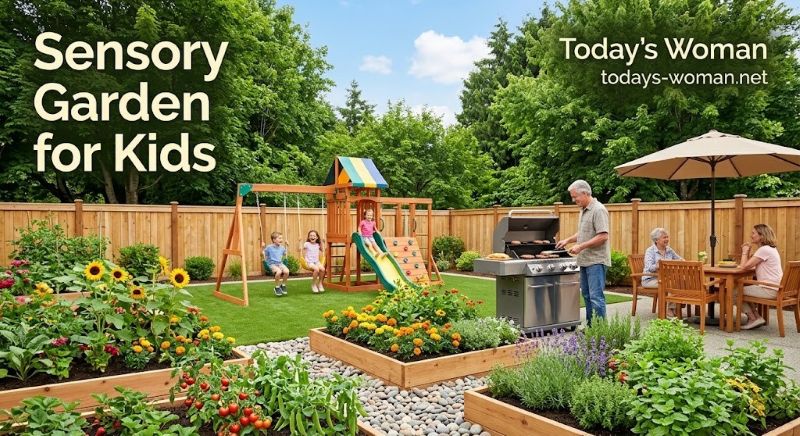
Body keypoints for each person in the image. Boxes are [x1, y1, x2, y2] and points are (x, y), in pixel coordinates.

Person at [556, 180, 610, 326]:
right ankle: (591, 327)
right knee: (586, 295)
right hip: (585, 260)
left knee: (596, 297)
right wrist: (568, 240)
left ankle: (600, 331)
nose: (574, 200)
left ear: (585, 193)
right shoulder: (584, 210)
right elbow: (583, 233)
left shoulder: (598, 210)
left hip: (596, 261)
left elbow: (603, 236)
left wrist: (580, 247)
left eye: (575, 197)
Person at [738, 224, 783, 330]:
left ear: (761, 236)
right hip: (775, 287)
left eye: (753, 233)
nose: (751, 236)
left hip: (769, 289)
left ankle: (753, 318)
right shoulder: (770, 249)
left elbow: (743, 267)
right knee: (741, 289)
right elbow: (748, 265)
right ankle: (756, 317)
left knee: (733, 291)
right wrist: (748, 253)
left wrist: (744, 251)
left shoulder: (764, 250)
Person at [642, 227, 683, 317]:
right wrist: (659, 265)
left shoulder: (669, 250)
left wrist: (681, 262)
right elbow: (649, 267)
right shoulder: (650, 251)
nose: (667, 239)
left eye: (667, 237)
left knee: (680, 282)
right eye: (664, 237)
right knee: (672, 283)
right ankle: (670, 309)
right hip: (650, 279)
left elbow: (680, 260)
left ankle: (673, 307)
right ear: (656, 240)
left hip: (665, 279)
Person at [264, 231, 289, 297]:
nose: (281, 240)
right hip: (272, 264)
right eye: (279, 238)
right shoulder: (269, 247)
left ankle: (283, 285)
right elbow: (263, 254)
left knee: (287, 271)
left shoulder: (282, 247)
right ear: (274, 240)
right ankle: (277, 287)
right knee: (279, 272)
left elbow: (285, 254)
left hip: (280, 263)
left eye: (281, 238)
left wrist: (287, 246)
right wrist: (262, 247)